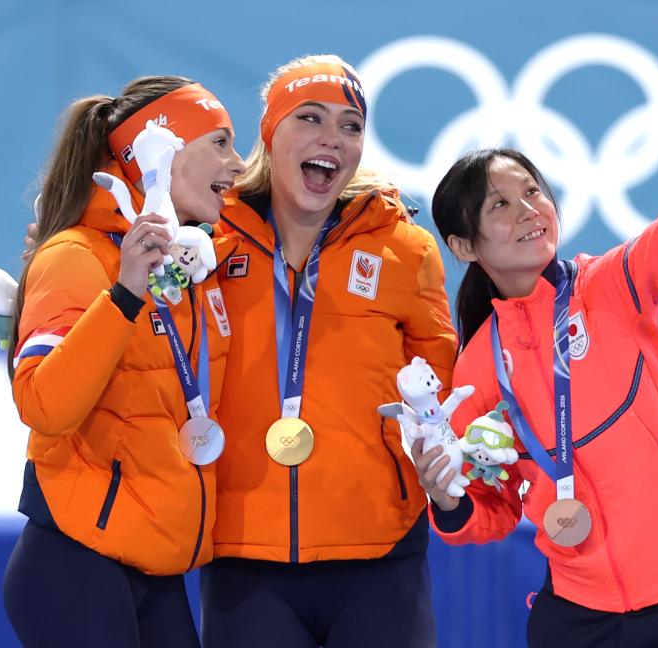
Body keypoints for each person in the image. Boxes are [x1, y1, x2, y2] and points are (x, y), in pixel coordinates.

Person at [420, 72, 658, 647]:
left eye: (533, 192)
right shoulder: (477, 368)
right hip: (580, 609)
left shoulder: (611, 284)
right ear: (464, 246)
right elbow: (490, 506)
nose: (529, 210)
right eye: (501, 204)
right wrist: (447, 499)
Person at [201, 54, 458, 648]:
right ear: (271, 131)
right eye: (310, 118)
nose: (332, 138)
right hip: (243, 549)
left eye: (350, 126)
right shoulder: (207, 244)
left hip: (379, 551)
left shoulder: (404, 249)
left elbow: (440, 386)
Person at [2, 75, 245, 648]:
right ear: (159, 155)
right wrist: (124, 296)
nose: (238, 165)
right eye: (220, 143)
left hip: (152, 566)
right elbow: (43, 404)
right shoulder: (74, 256)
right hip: (77, 563)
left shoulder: (190, 262)